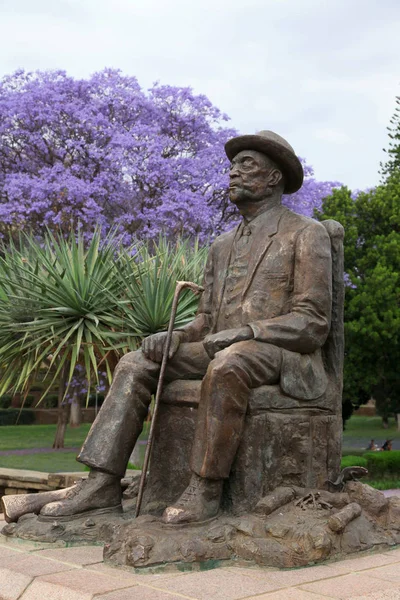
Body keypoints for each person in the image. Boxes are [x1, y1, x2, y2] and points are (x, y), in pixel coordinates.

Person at [40, 130, 333, 524]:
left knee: (229, 363)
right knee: (134, 363)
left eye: (246, 165)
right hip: (220, 347)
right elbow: (206, 321)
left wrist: (248, 332)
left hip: (281, 355)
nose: (232, 173)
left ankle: (206, 487)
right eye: (232, 165)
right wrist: (176, 336)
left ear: (274, 178)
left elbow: (312, 322)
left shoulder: (305, 233)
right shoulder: (221, 246)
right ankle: (101, 484)